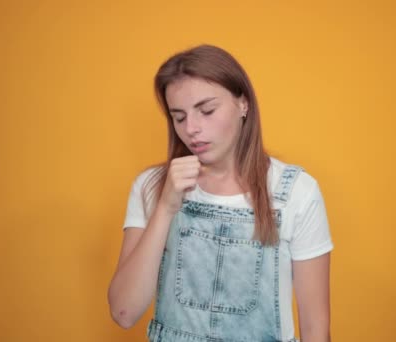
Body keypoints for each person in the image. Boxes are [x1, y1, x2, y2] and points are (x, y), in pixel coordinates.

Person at [108, 44, 333, 342]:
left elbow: (316, 329)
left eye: (207, 110)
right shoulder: (152, 186)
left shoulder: (296, 193)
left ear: (243, 104)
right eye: (179, 117)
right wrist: (165, 208)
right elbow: (124, 312)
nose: (192, 129)